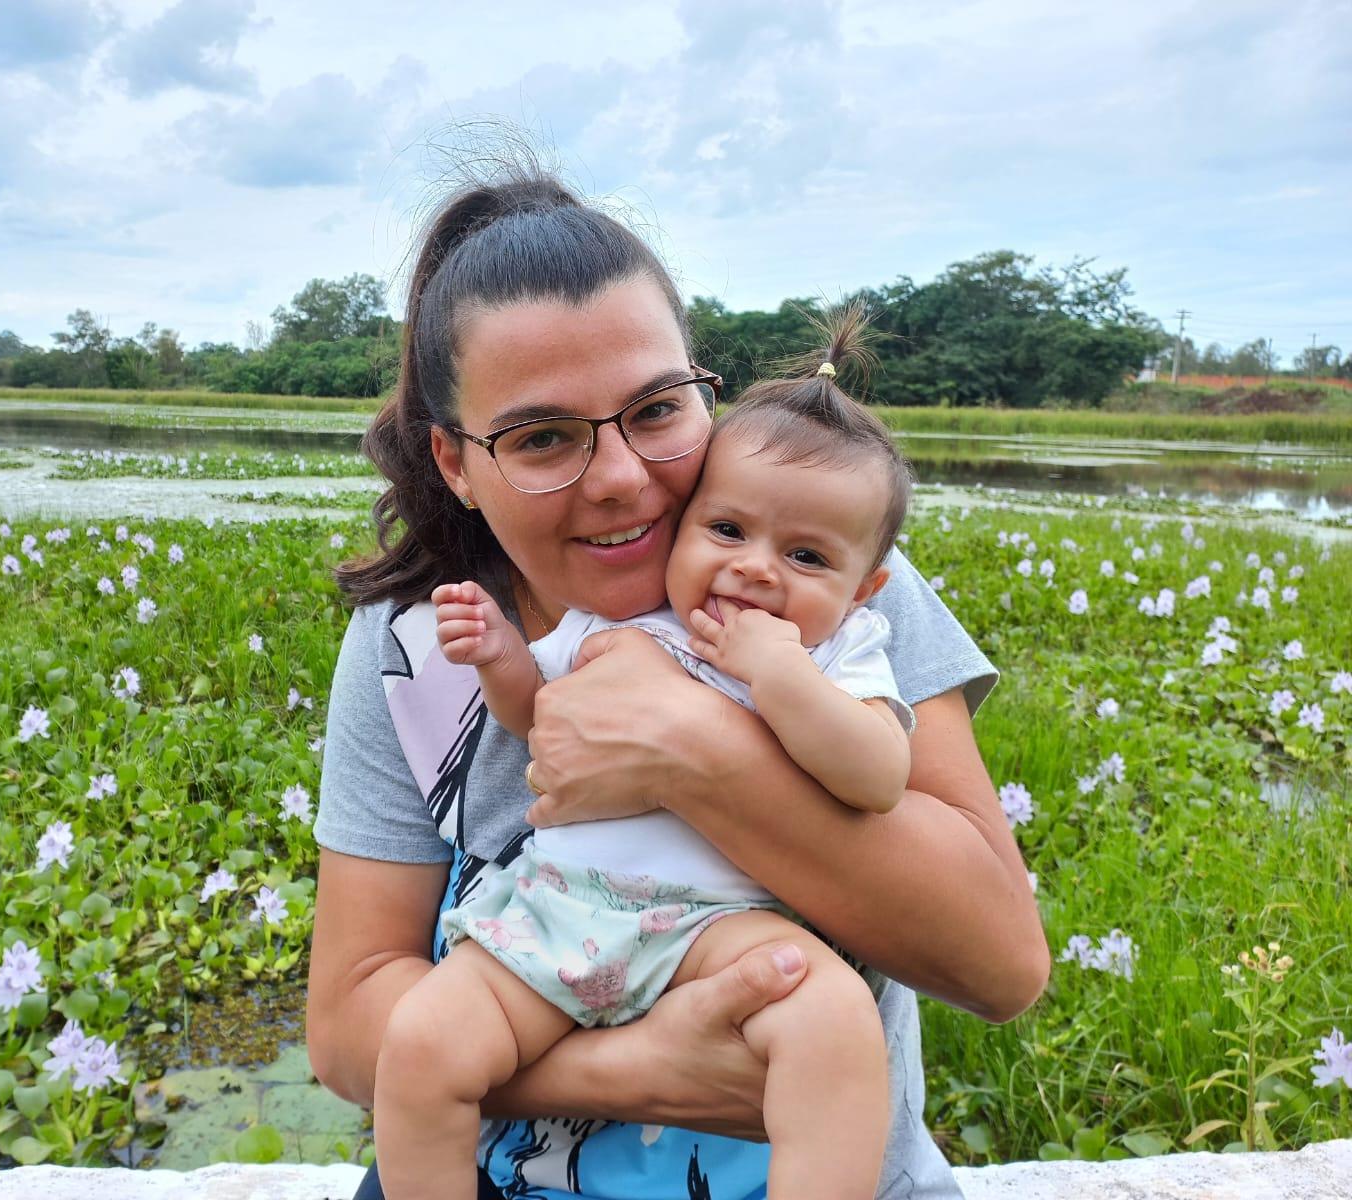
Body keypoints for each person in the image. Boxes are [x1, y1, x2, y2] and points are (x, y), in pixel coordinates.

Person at [308, 164, 1049, 1200]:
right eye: (541, 437)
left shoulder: (825, 588)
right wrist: (642, 1075)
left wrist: (694, 755)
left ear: (705, 388)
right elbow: (348, 1028)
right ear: (454, 462)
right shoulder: (418, 639)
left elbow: (1000, 964)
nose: (617, 476)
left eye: (656, 410)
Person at [372, 306, 916, 1200]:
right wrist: (502, 656)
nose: (755, 571)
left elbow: (877, 774)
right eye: (729, 532)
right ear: (687, 520)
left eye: (807, 556)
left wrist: (780, 676)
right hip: (557, 911)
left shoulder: (843, 652)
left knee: (832, 1021)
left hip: (714, 927)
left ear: (866, 587)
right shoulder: (633, 617)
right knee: (424, 1041)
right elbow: (537, 717)